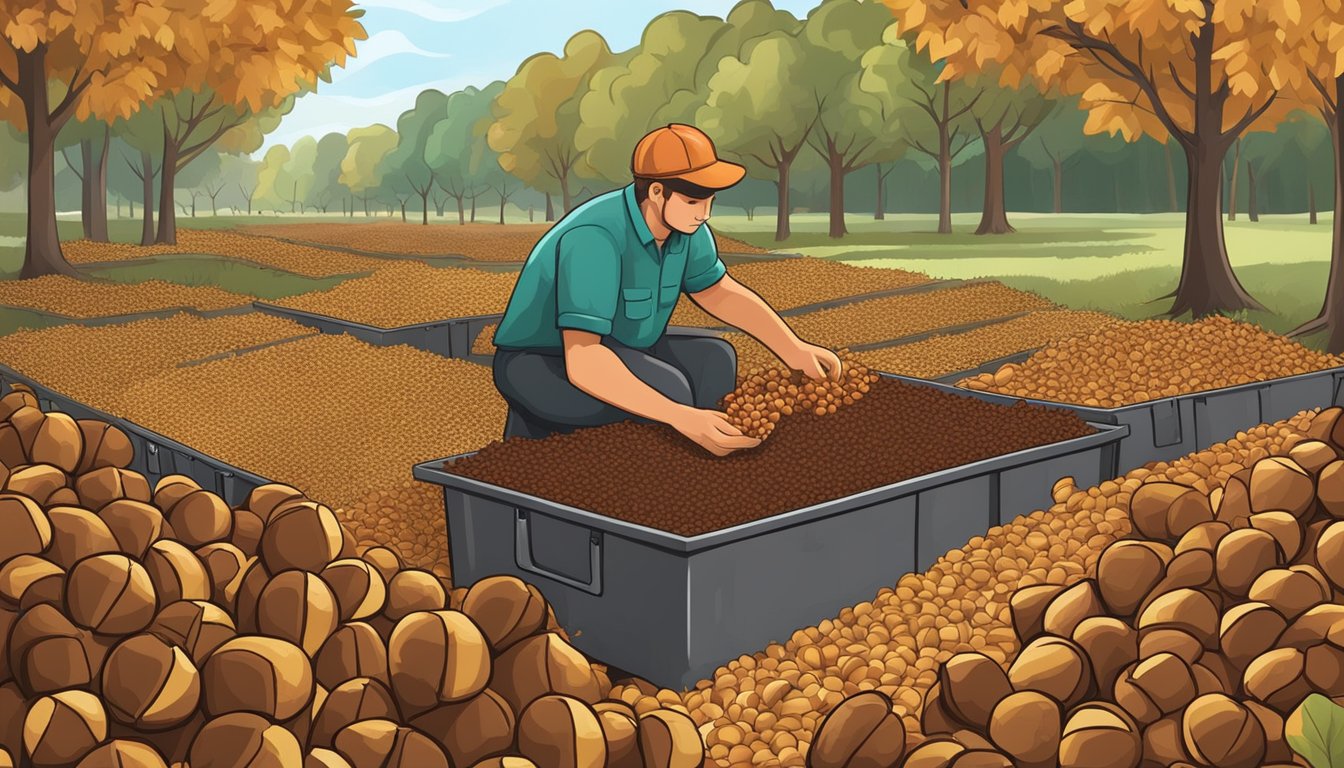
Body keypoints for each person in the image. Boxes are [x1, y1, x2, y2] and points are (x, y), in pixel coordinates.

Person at [491, 123, 842, 457]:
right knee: (670, 390)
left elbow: (718, 293)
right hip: (541, 362)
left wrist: (793, 349)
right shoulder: (594, 239)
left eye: (709, 201)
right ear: (657, 192)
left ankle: (711, 454)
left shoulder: (686, 230)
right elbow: (584, 360)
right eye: (693, 202)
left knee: (715, 361)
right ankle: (645, 474)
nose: (703, 214)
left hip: (622, 345)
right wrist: (679, 415)